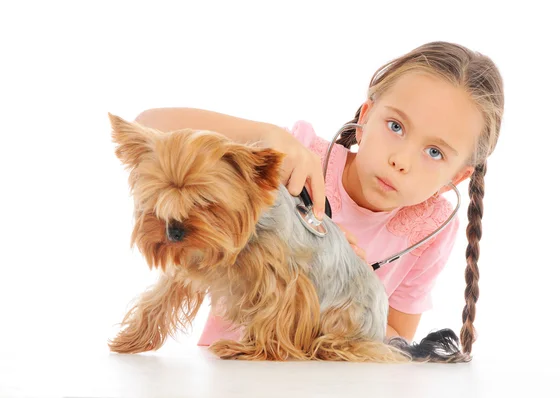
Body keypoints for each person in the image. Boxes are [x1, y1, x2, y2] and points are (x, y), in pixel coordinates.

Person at [133, 41, 504, 356]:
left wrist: (352, 284)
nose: (401, 160)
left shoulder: (430, 230)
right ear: (366, 116)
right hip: (226, 372)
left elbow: (393, 334)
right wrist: (264, 136)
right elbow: (148, 123)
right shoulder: (294, 160)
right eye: (396, 126)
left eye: (435, 152)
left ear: (455, 178)